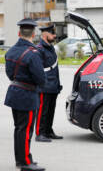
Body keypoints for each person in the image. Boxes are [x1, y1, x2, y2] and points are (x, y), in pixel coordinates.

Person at [4, 18, 46, 171]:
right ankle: (25, 162)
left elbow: (10, 74)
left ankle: (20, 159)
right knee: (26, 129)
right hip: (27, 95)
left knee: (19, 129)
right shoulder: (33, 53)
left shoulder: (11, 51)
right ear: (33, 34)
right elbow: (41, 79)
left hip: (15, 92)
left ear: (18, 33)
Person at [35, 24, 63, 142]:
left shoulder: (50, 48)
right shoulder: (39, 49)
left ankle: (48, 131)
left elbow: (54, 69)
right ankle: (40, 133)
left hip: (53, 86)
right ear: (45, 34)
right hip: (44, 87)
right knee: (42, 111)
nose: (55, 35)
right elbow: (37, 70)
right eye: (52, 33)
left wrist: (57, 84)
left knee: (51, 110)